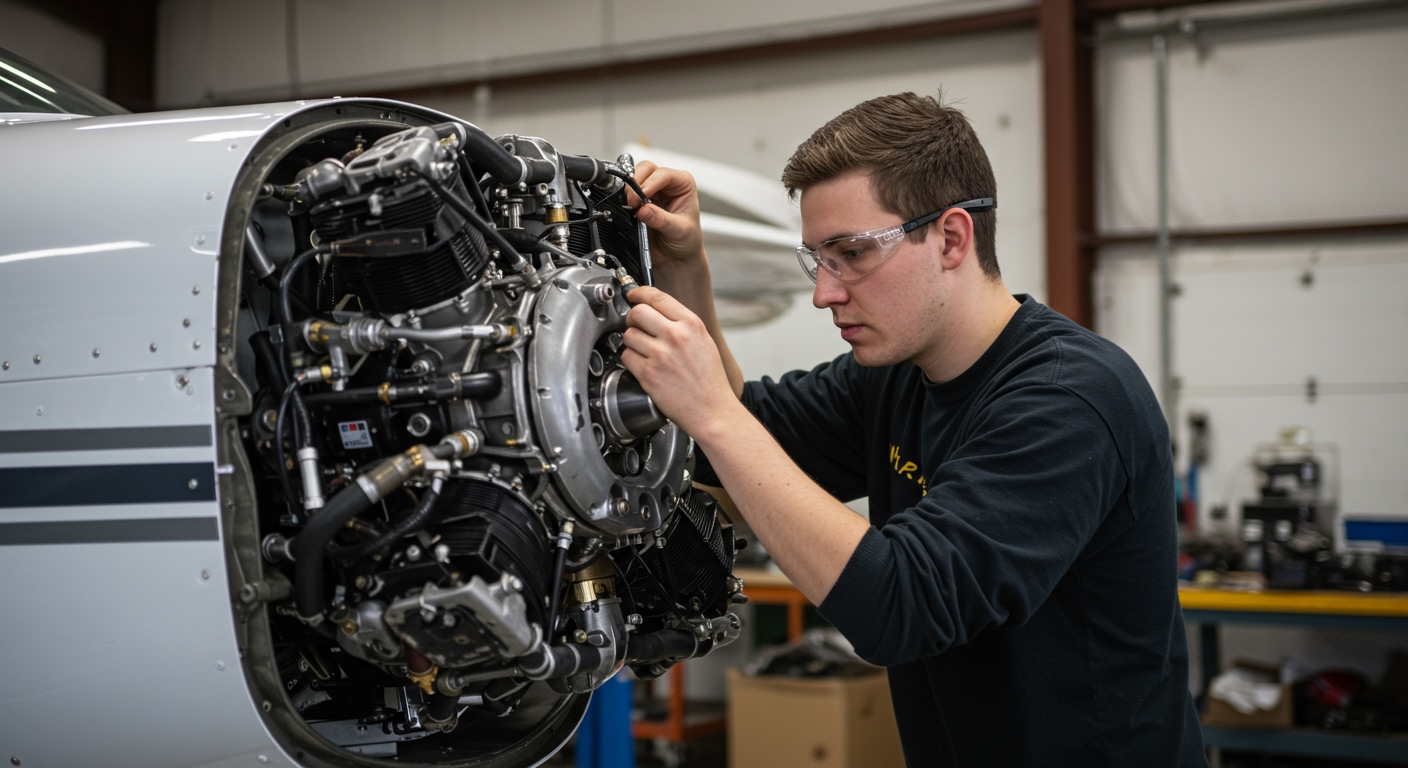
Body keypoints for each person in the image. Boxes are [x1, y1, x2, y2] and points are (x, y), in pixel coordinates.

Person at [617, 92, 1206, 766]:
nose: (824, 292)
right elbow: (747, 434)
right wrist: (684, 267)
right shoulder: (895, 376)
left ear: (952, 237)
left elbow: (900, 604)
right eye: (818, 258)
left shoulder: (1070, 397)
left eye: (852, 254)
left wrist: (713, 415)